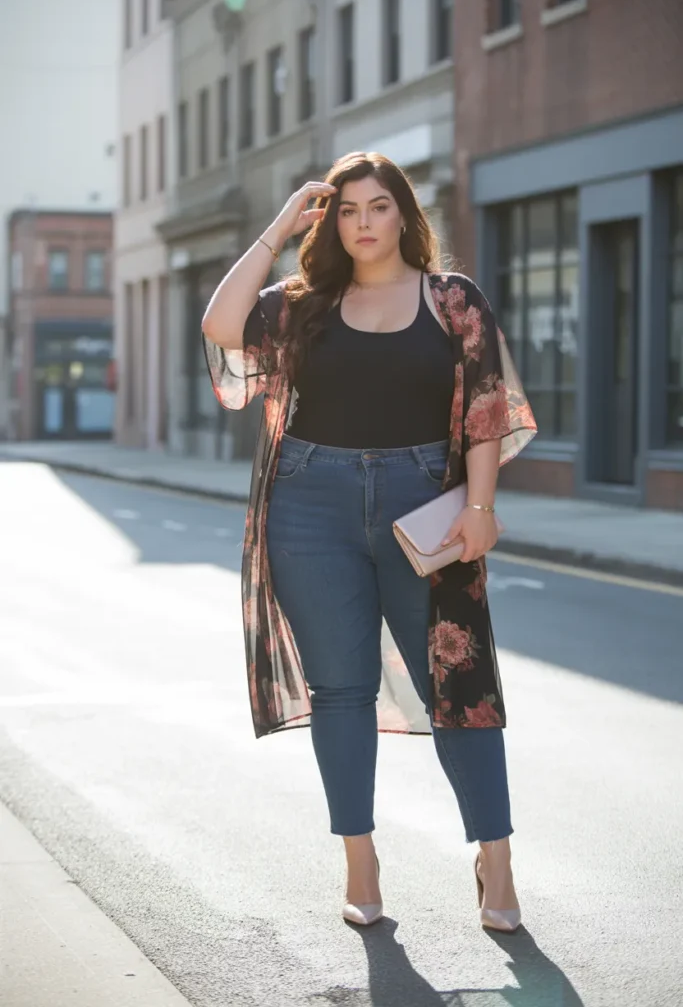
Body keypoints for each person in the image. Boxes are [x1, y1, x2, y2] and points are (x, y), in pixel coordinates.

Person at [202, 152, 537, 932]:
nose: (362, 223)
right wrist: (280, 226)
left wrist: (480, 506)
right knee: (340, 690)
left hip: (423, 503)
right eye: (346, 210)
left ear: (402, 214)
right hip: (308, 504)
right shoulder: (302, 305)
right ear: (328, 222)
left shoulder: (452, 300)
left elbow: (486, 406)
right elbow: (221, 326)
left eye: (377, 206)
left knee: (458, 685)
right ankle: (359, 857)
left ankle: (494, 856)